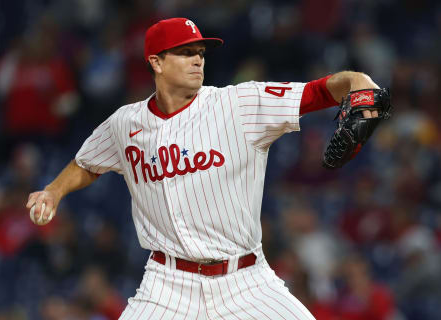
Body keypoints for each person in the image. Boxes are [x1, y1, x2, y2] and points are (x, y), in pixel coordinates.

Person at [26, 17, 380, 319]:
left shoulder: (237, 104)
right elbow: (87, 162)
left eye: (200, 53)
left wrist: (358, 83)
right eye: (185, 53)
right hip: (166, 285)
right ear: (156, 62)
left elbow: (320, 92)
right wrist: (54, 191)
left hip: (245, 281)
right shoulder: (125, 124)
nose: (198, 60)